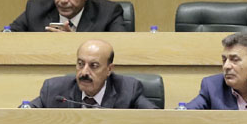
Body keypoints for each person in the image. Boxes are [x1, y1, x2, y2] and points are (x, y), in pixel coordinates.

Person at [27, 39, 157, 109]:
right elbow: (26, 111)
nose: (84, 72)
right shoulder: (54, 89)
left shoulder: (128, 89)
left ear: (109, 69)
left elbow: (154, 117)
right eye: (80, 64)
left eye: (94, 66)